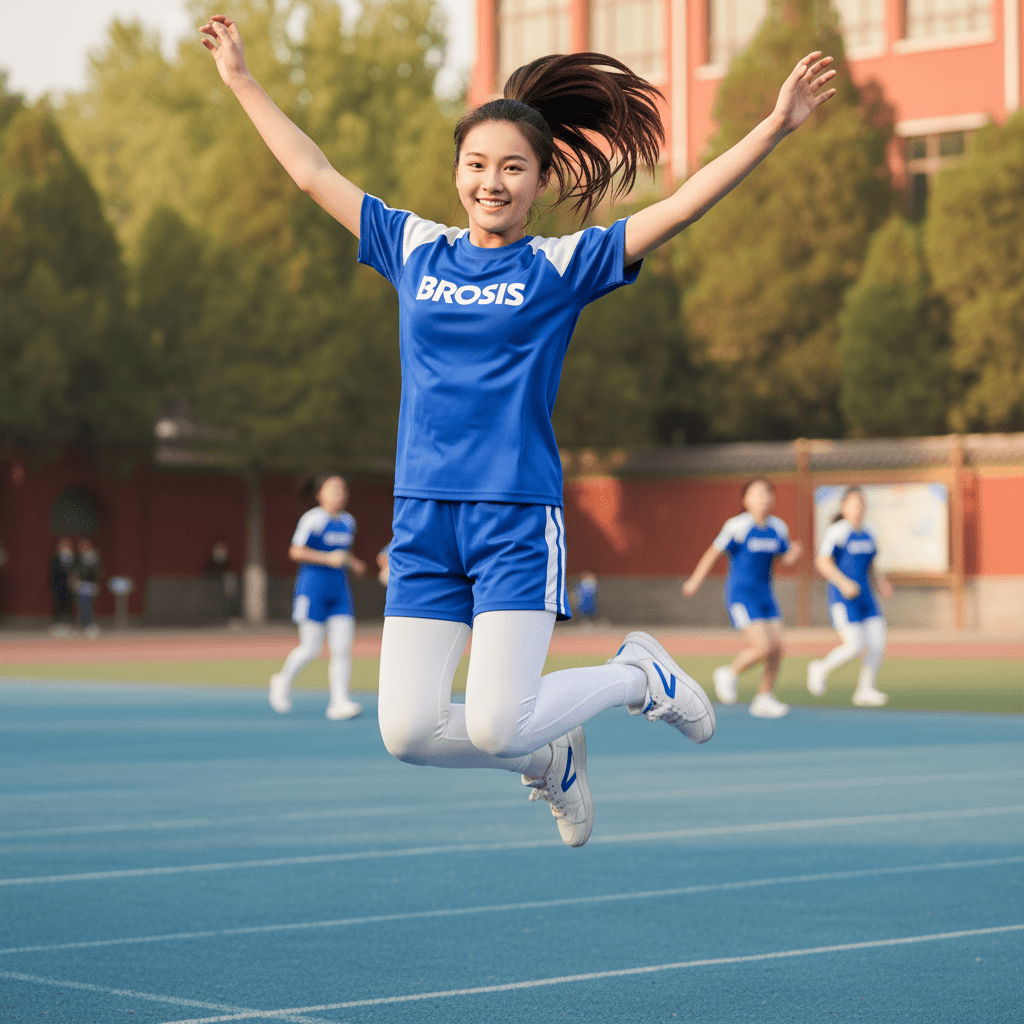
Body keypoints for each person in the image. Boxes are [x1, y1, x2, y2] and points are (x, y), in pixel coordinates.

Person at [201, 14, 835, 846]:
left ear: (539, 183)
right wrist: (243, 79)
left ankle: (636, 676)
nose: (490, 181)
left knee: (501, 721)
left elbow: (678, 207)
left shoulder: (558, 266)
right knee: (409, 734)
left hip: (513, 520)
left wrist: (774, 128)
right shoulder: (412, 247)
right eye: (475, 165)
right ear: (457, 172)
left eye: (512, 168)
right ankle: (551, 762)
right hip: (425, 523)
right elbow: (313, 171)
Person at [682, 479, 804, 718]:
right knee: (763, 646)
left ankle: (764, 698)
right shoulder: (737, 526)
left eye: (767, 493)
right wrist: (695, 580)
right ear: (745, 500)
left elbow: (785, 558)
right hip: (741, 594)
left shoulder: (778, 527)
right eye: (756, 494)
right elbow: (712, 553)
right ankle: (728, 672)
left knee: (778, 648)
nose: (762, 499)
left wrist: (793, 554)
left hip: (766, 594)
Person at [269, 474, 368, 720]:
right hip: (312, 590)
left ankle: (339, 702)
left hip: (339, 592)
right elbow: (295, 551)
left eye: (343, 488)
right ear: (320, 494)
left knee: (343, 648)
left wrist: (353, 563)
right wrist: (327, 559)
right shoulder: (313, 519)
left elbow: (342, 553)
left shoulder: (348, 521)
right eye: (333, 488)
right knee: (311, 647)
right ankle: (282, 680)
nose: (339, 493)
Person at [808, 486, 893, 707]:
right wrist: (843, 583)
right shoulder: (838, 532)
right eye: (854, 505)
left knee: (877, 643)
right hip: (842, 598)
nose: (858, 509)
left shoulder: (869, 532)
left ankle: (865, 689)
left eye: (862, 504)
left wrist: (881, 582)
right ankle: (820, 668)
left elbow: (872, 563)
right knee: (854, 645)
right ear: (844, 507)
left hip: (866, 597)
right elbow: (822, 562)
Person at [73, 537, 103, 637]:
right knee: (81, 605)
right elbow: (76, 571)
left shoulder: (95, 558)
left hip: (91, 585)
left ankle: (90, 624)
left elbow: (98, 573)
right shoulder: (78, 558)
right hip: (81, 585)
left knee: (89, 605)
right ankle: (82, 624)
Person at [48, 538, 75, 636]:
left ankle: (68, 624)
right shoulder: (55, 558)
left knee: (68, 606)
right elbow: (52, 574)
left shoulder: (74, 558)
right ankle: (57, 624)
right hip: (58, 587)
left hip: (69, 587)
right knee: (58, 606)